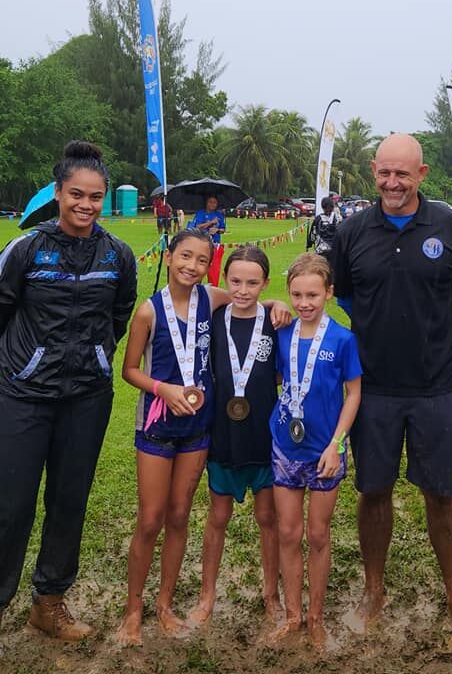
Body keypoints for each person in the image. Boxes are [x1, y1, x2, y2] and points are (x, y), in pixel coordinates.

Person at [0, 142, 138, 674]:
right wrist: (20, 368)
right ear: (58, 193)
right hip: (22, 397)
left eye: (96, 196)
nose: (86, 205)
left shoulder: (117, 255)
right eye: (76, 195)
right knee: (8, 511)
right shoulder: (25, 250)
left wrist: (93, 360)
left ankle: (49, 603)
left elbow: (119, 315)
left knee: (69, 503)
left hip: (86, 398)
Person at [328, 133, 452, 641]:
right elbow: (347, 298)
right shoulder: (351, 231)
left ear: (422, 174)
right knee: (373, 489)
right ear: (372, 170)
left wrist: (427, 336)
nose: (393, 183)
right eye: (385, 172)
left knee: (441, 493)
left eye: (403, 173)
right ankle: (374, 590)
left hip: (436, 388)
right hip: (372, 388)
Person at [115, 230, 290, 645]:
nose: (191, 266)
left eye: (201, 260)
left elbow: (250, 301)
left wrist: (276, 303)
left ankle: (165, 605)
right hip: (157, 427)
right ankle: (133, 611)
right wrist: (163, 389)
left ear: (209, 266)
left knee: (179, 516)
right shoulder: (149, 311)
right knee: (150, 519)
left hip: (198, 430)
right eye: (184, 256)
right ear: (169, 256)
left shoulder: (211, 298)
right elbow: (129, 370)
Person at [185, 246, 282, 632]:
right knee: (218, 517)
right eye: (236, 281)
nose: (243, 290)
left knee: (267, 518)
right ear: (224, 280)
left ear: (265, 284)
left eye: (252, 283)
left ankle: (271, 596)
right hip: (224, 436)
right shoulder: (213, 320)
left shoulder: (276, 323)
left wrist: (277, 305)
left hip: (263, 437)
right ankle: (207, 596)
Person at [271, 253, 362, 647]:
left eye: (312, 295)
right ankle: (293, 616)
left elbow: (354, 393)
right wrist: (274, 305)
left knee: (319, 535)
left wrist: (336, 445)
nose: (304, 303)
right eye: (296, 295)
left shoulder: (342, 339)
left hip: (326, 451)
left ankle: (316, 617)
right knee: (288, 533)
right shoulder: (281, 332)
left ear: (329, 293)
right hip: (284, 448)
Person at [188, 196, 226, 285]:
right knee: (199, 268)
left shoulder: (219, 215)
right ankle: (196, 288)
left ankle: (212, 290)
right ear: (206, 203)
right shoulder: (200, 213)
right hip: (201, 244)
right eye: (210, 202)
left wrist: (217, 230)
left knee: (214, 271)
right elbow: (197, 226)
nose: (212, 204)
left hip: (215, 245)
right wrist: (211, 222)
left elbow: (223, 229)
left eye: (215, 202)